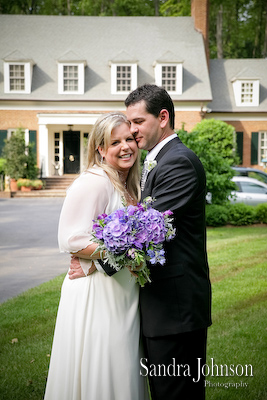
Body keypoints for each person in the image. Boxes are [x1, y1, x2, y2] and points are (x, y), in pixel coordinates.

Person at [70, 84, 212, 399]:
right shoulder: (154, 161)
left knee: (176, 393)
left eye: (137, 122)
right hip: (161, 307)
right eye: (128, 123)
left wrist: (94, 262)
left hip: (175, 308)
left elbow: (147, 230)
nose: (132, 131)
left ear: (163, 117)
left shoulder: (177, 162)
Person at [44, 112, 149, 400]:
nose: (125, 146)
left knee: (123, 365)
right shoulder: (94, 181)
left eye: (129, 139)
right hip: (96, 294)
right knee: (104, 366)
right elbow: (70, 239)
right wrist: (117, 255)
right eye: (115, 142)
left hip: (122, 292)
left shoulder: (130, 183)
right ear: (100, 149)